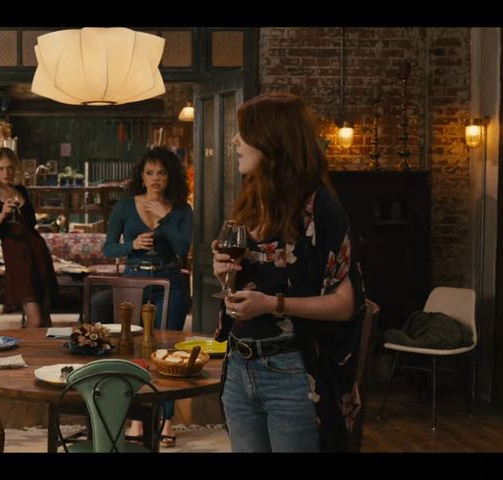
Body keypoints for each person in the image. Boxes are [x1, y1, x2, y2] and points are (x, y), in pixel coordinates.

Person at [212, 92, 366, 452]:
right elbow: (244, 282)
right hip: (239, 364)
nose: (234, 141)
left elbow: (345, 304)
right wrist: (224, 273)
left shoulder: (320, 208)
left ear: (272, 140)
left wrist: (272, 304)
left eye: (244, 132)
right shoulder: (252, 202)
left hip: (292, 372)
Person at [101, 146, 193, 447]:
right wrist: (132, 246)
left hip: (170, 281)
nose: (155, 178)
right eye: (149, 172)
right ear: (141, 176)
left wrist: (166, 217)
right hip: (134, 281)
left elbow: (182, 249)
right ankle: (138, 418)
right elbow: (108, 248)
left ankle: (167, 419)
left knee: (167, 351)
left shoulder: (181, 209)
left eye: (161, 173)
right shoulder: (125, 206)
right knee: (134, 350)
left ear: (170, 176)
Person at [0, 147, 58, 328]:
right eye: (1, 169)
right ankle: (27, 346)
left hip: (36, 248)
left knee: (46, 317)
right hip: (16, 252)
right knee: (35, 319)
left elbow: (31, 222)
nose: (6, 173)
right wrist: (2, 214)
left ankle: (42, 347)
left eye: (10, 168)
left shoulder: (20, 190)